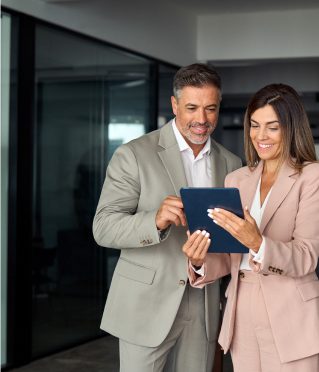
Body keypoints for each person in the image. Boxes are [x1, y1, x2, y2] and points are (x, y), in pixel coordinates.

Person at [93, 63, 242, 372]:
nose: (201, 119)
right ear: (174, 105)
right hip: (146, 304)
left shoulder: (231, 162)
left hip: (203, 306)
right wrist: (155, 221)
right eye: (191, 108)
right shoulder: (133, 154)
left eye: (210, 109)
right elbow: (103, 227)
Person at [183, 83, 319, 371]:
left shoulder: (315, 176)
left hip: (291, 310)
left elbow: (305, 255)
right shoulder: (236, 179)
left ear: (291, 128)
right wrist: (199, 261)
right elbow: (232, 259)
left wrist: (258, 243)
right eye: (254, 126)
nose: (260, 136)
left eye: (272, 127)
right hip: (241, 309)